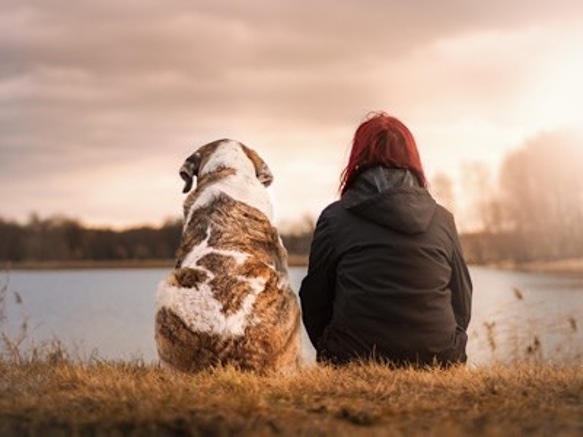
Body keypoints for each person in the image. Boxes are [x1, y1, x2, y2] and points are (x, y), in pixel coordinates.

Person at [299, 112, 472, 367]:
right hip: (439, 358)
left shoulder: (334, 219)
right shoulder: (442, 219)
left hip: (352, 358)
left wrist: (331, 349)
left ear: (358, 157)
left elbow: (314, 299)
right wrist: (448, 346)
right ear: (412, 158)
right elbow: (462, 299)